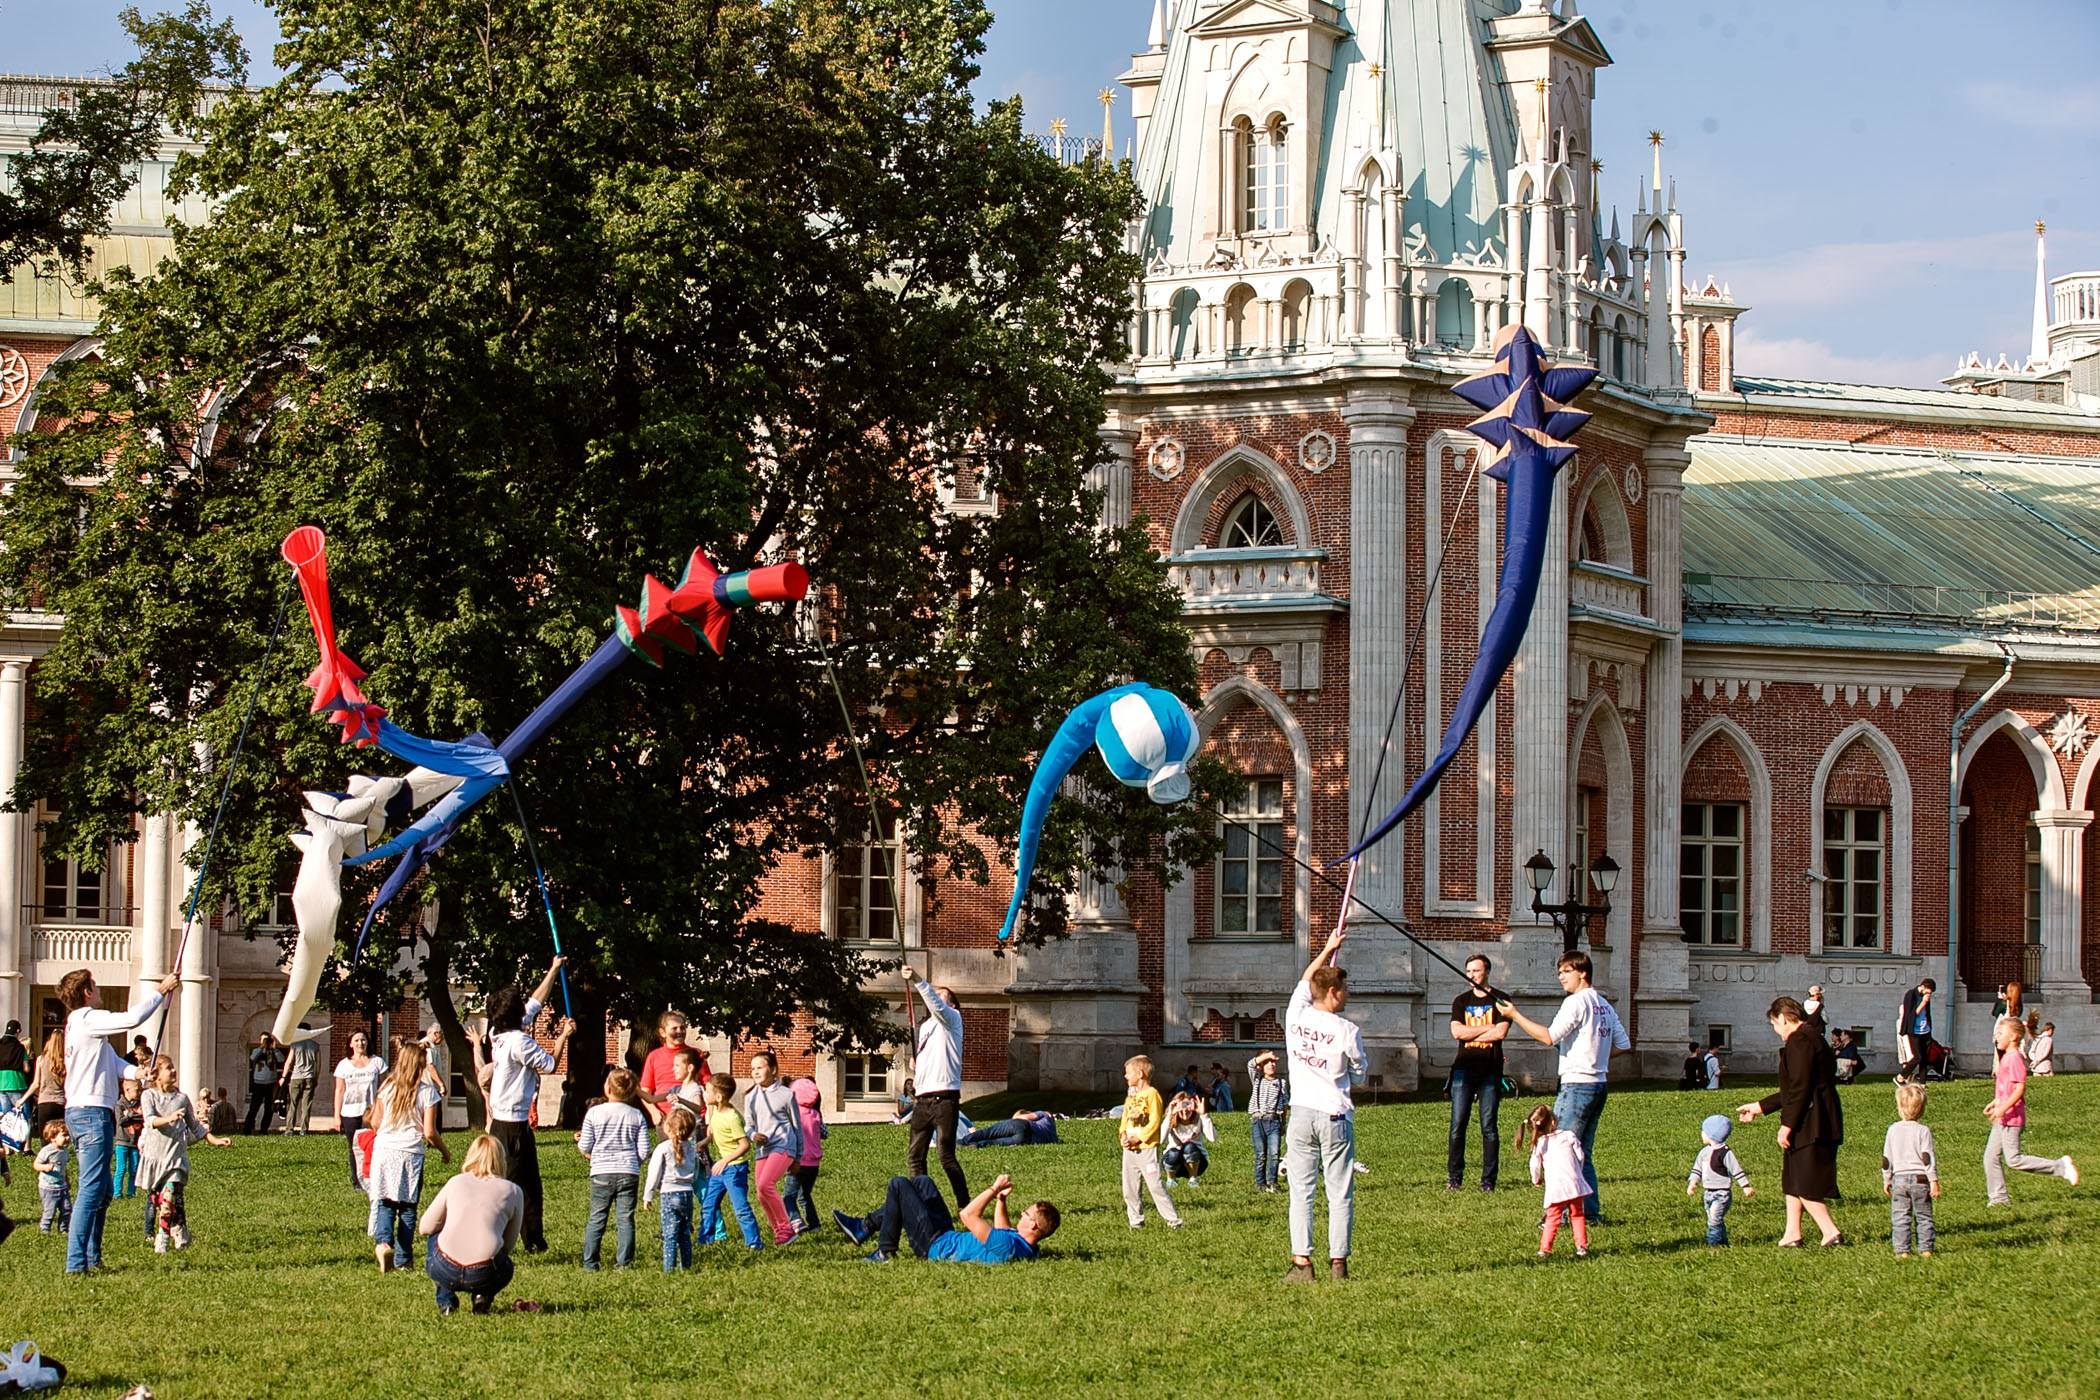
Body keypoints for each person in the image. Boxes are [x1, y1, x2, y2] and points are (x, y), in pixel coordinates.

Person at [60, 967, 179, 1273]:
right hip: (91, 1113)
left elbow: (111, 1063)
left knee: (100, 1191)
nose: (99, 990)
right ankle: (76, 1263)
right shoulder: (88, 1018)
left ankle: (92, 1257)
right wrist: (161, 990)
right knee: (91, 1189)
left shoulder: (78, 1025)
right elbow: (132, 1019)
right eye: (95, 985)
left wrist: (138, 1072)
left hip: (84, 1112)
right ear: (87, 992)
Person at [1499, 951, 1631, 1224]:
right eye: (1559, 972)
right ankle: (1589, 1213)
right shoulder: (1604, 1004)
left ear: (1583, 973)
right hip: (1598, 1085)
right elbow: (1623, 1045)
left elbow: (1549, 1037)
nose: (1561, 977)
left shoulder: (1575, 1002)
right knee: (1583, 1153)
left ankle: (1557, 1217)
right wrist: (1593, 1055)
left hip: (1576, 1087)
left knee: (1562, 1153)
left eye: (1567, 971)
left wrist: (1514, 1015)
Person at [1284, 928, 1367, 1282]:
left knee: (1301, 1192)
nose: (1348, 994)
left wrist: (1328, 948)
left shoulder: (1295, 1015)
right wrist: (1348, 1069)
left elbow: (1306, 980)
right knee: (1339, 1191)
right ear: (1333, 992)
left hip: (1301, 1113)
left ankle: (1302, 1262)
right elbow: (1360, 1072)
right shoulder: (1348, 1030)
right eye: (1344, 989)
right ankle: (1338, 1263)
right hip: (1335, 1114)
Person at [1735, 996, 1846, 1247]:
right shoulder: (1813, 1037)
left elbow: (1800, 1088)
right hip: (1818, 1116)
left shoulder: (1800, 1041)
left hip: (1811, 1121)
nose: (1776, 1030)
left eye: (1775, 1024)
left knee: (1804, 1181)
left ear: (1783, 1019)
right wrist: (1760, 1107)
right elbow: (1796, 1088)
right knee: (1793, 1177)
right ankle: (1792, 1233)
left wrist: (1787, 1125)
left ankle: (1830, 1232)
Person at [486, 957, 574, 1254]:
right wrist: (563, 1036)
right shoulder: (519, 1042)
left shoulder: (497, 1033)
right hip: (513, 1126)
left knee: (524, 1184)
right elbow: (549, 1065)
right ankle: (500, 1240)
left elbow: (535, 1004)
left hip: (505, 1123)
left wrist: (554, 969)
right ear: (515, 1015)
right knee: (514, 1185)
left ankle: (531, 1239)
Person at [833, 1170, 1057, 1264]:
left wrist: (993, 1188)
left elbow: (967, 1215)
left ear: (1033, 1226)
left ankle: (884, 1251)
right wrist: (1001, 1200)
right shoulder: (1027, 1247)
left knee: (899, 1184)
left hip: (933, 1246)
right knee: (923, 1182)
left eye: (1026, 1213)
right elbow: (1002, 1229)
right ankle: (864, 1227)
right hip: (945, 1235)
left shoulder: (1007, 1245)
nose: (1022, 1213)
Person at [367, 1041, 450, 1273]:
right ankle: (404, 1260)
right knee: (407, 1206)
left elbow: (375, 1122)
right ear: (419, 1063)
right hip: (410, 1152)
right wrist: (445, 1151)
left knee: (385, 1201)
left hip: (384, 1150)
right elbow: (430, 1132)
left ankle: (384, 1243)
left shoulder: (387, 1087)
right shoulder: (427, 1092)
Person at [419, 1133, 524, 1315]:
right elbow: (508, 1245)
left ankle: (446, 1301)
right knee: (503, 1262)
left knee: (435, 1235)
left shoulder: (456, 1182)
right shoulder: (513, 1191)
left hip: (445, 1268)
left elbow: (425, 1227)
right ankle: (482, 1295)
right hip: (486, 1271)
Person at [1983, 1015, 2079, 1205]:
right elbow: (2006, 1087)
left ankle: (2060, 1167)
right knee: (1990, 1157)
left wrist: (2003, 1108)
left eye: (2000, 1033)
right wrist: (1996, 1102)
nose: (1996, 1037)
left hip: (2012, 1119)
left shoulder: (2015, 1059)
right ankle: (1999, 1198)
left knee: (2014, 1160)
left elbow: (2019, 1088)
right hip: (2003, 1117)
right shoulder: (2006, 1058)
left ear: (2013, 1037)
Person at [139, 1054, 229, 1251]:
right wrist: (169, 1118)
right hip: (155, 1157)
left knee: (169, 1194)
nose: (173, 1070)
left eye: (173, 1067)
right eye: (168, 1068)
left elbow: (195, 1126)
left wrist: (215, 1140)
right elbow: (150, 1120)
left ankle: (162, 1237)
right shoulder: (149, 1096)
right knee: (168, 1199)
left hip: (175, 1157)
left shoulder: (181, 1099)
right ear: (157, 1074)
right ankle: (181, 1230)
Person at [903, 969, 969, 1208]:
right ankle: (922, 1204)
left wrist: (917, 980)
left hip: (944, 1100)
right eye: (935, 993)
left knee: (945, 1156)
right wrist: (918, 1066)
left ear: (952, 1004)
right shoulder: (926, 1027)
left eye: (943, 994)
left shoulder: (952, 1018)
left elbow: (937, 1005)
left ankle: (964, 1205)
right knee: (915, 1156)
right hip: (922, 1100)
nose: (936, 996)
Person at [577, 1067, 651, 1271]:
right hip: (629, 1171)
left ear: (607, 1088)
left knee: (597, 1217)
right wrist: (634, 1162)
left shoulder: (594, 1113)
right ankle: (624, 1263)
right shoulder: (636, 1115)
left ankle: (590, 1262)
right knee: (625, 1219)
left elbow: (585, 1145)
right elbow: (644, 1149)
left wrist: (589, 1153)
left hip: (601, 1171)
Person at [1448, 954, 1510, 1193]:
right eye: (1468, 971)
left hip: (1490, 1070)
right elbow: (1457, 1033)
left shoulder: (1501, 1000)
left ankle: (1488, 1181)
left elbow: (1500, 1033)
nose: (1472, 975)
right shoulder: (1461, 1001)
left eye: (1476, 970)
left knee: (1488, 1126)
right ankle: (1455, 1178)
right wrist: (1487, 1027)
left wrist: (1472, 1032)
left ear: (1487, 972)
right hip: (1463, 1069)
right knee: (1457, 1125)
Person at [698, 1072, 762, 1250]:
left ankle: (754, 1243)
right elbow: (716, 1132)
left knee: (740, 1208)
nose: (704, 1094)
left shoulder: (732, 1117)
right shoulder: (716, 1111)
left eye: (707, 1091)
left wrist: (725, 1160)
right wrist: (705, 1142)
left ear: (719, 1097)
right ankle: (705, 1240)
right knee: (708, 1205)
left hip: (734, 1169)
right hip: (720, 1169)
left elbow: (744, 1145)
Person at [743, 1051, 801, 1246]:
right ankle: (780, 1231)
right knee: (761, 1193)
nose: (755, 1072)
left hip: (784, 1145)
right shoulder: (750, 1097)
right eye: (753, 1068)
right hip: (763, 1149)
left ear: (773, 1070)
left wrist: (798, 1157)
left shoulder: (786, 1094)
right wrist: (753, 1135)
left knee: (765, 1184)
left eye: (760, 1067)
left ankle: (787, 1228)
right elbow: (748, 1125)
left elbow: (797, 1126)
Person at [1118, 1054, 1181, 1229]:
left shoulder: (1152, 1094)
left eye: (1128, 1072)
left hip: (1146, 1149)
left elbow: (1154, 1122)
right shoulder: (1131, 1097)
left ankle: (1174, 1221)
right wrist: (1123, 1136)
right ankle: (1136, 1222)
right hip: (1129, 1150)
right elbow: (1125, 1119)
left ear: (1140, 1074)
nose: (1125, 1076)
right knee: (1130, 1189)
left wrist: (1139, 1138)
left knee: (1155, 1186)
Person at [1520, 1105, 1586, 1258]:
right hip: (1575, 1184)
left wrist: (1536, 1179)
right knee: (1577, 1215)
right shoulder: (1568, 1135)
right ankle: (1581, 1247)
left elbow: (1534, 1165)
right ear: (1554, 1121)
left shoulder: (1541, 1143)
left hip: (1556, 1187)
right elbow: (1581, 1156)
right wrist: (1578, 1171)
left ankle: (1545, 1249)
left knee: (1552, 1218)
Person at [1883, 1081, 1939, 1258]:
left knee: (1900, 1217)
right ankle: (1926, 1249)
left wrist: (1887, 1179)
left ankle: (1902, 1251)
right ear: (1922, 1109)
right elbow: (1927, 1157)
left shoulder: (1893, 1130)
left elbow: (1887, 1159)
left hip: (1899, 1179)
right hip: (1920, 1179)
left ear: (1899, 1106)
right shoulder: (1923, 1130)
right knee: (1924, 1216)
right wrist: (1933, 1181)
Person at [643, 1106, 701, 1271]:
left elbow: (654, 1173)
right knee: (684, 1234)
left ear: (668, 1128)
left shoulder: (663, 1148)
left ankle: (669, 1269)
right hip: (687, 1193)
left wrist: (648, 1196)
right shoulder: (691, 1148)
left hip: (669, 1193)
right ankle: (686, 1267)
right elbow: (696, 1172)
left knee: (670, 1235)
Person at [1685, 1113, 1753, 1246]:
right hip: (1708, 1193)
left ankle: (1713, 1242)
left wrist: (1745, 1186)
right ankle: (1723, 1242)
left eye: (1704, 1131)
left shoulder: (1725, 1152)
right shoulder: (1704, 1152)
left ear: (1712, 1135)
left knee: (1714, 1219)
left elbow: (1736, 1170)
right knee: (1714, 1218)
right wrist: (1693, 1183)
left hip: (1722, 1194)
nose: (1701, 1134)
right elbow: (1697, 1169)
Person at [332, 1030, 386, 1190]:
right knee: (354, 1148)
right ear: (350, 1044)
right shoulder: (343, 1065)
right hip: (349, 1113)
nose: (360, 1043)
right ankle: (357, 1181)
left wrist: (383, 1111)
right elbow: (339, 1091)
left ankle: (373, 1179)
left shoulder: (377, 1062)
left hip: (371, 1113)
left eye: (363, 1040)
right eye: (356, 1040)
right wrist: (336, 1116)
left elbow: (385, 1088)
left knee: (372, 1146)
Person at [636, 1011, 708, 1127]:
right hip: (666, 1118)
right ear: (662, 1032)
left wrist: (711, 1115)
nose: (679, 1031)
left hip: (692, 1118)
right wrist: (654, 1112)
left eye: (682, 1028)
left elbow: (709, 1086)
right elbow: (646, 1091)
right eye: (674, 1028)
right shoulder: (654, 1056)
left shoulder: (695, 1055)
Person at [779, 1076, 827, 1238]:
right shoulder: (815, 1114)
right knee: (805, 1195)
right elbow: (824, 1133)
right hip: (814, 1164)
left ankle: (796, 1221)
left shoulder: (793, 1115)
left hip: (798, 1162)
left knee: (789, 1196)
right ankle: (815, 1224)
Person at [1246, 1050, 1288, 1192]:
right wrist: (1268, 1055)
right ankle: (1260, 1183)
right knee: (1261, 1154)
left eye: (1273, 1062)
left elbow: (1284, 1104)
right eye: (1267, 1063)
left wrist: (1283, 1122)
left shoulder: (1281, 1082)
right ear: (1261, 1066)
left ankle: (1272, 1181)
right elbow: (1250, 1064)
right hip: (1258, 1120)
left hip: (1274, 1121)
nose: (1271, 1065)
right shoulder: (1257, 1080)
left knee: (1274, 1153)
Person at [1161, 1092, 1216, 1185]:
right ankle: (1170, 1180)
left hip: (1197, 1162)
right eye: (1181, 1105)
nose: (1185, 1110)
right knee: (1174, 1153)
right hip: (1174, 1163)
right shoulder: (1171, 1121)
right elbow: (1161, 1140)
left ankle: (1193, 1179)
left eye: (1187, 1105)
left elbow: (1212, 1138)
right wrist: (1170, 1115)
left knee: (1189, 1146)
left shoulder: (1199, 1119)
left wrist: (1204, 1115)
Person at [279, 1026, 319, 1135]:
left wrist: (283, 1076)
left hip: (296, 1077)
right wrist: (316, 1077)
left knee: (293, 1104)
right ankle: (304, 1130)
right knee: (306, 1105)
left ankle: (289, 1129)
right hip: (309, 1077)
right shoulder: (315, 1045)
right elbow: (318, 1064)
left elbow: (289, 1062)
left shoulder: (295, 1044)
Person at [26, 1030, 66, 1137]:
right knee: (59, 1137)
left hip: (44, 1101)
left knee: (45, 1137)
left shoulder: (41, 1059)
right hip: (60, 1101)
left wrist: (23, 1099)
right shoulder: (65, 1061)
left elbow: (36, 1083)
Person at [244, 1033, 284, 1135]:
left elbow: (281, 1059)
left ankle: (263, 1129)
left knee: (269, 1109)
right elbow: (252, 1057)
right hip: (258, 1083)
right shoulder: (257, 1051)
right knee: (254, 1107)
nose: (266, 1042)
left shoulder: (274, 1052)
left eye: (267, 1040)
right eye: (264, 1040)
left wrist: (275, 1048)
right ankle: (247, 1129)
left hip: (271, 1083)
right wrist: (262, 1047)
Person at [958, 1110, 1059, 1149]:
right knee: (993, 1142)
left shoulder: (1045, 1115)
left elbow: (1023, 1117)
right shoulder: (1053, 1138)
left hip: (1021, 1125)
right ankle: (976, 1145)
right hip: (1025, 1139)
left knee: (988, 1132)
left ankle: (962, 1142)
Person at [34, 1121, 70, 1233]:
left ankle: (63, 1229)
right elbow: (36, 1165)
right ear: (53, 1137)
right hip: (48, 1187)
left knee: (67, 1209)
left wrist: (67, 1180)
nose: (68, 1138)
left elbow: (64, 1168)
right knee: (50, 1211)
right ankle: (45, 1230)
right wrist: (45, 1167)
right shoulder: (47, 1150)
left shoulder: (64, 1151)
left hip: (62, 1186)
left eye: (68, 1135)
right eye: (64, 1135)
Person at [1898, 978, 1935, 1083]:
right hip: (1914, 1031)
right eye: (1928, 992)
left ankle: (1923, 1082)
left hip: (1925, 1031)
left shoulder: (1926, 997)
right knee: (1917, 1057)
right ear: (1923, 987)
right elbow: (1911, 1015)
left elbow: (1927, 1013)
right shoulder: (1911, 995)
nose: (1929, 994)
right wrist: (1923, 1003)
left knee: (1924, 1058)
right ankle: (1902, 1076)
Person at [113, 1076, 143, 1200]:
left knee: (134, 1168)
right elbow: (120, 1121)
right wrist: (133, 1114)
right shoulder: (119, 1105)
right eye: (137, 1090)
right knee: (121, 1169)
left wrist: (130, 1115)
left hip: (135, 1142)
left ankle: (131, 1192)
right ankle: (117, 1193)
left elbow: (143, 1117)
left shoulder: (139, 1104)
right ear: (127, 1089)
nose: (139, 1093)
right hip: (122, 1142)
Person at [0, 1021, 27, 1120]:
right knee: (22, 1116)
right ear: (18, 1031)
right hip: (16, 1083)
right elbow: (26, 1068)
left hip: (1, 1084)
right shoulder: (20, 1047)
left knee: (7, 1117)